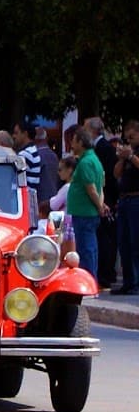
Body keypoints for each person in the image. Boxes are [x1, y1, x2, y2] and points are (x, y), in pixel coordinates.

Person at [68, 127, 109, 277]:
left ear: (81, 142)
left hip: (84, 212)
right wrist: (101, 204)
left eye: (73, 141)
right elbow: (100, 188)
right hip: (87, 211)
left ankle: (89, 279)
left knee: (86, 249)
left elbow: (91, 188)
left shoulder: (86, 162)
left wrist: (99, 207)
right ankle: (91, 278)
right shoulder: (94, 160)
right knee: (90, 248)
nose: (71, 145)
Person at [86, 117, 120, 287]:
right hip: (102, 200)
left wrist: (105, 202)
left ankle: (106, 274)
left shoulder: (103, 148)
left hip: (103, 200)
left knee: (104, 240)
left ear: (93, 130)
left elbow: (105, 178)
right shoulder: (98, 149)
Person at [112, 121, 139, 294]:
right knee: (124, 243)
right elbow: (116, 174)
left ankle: (136, 282)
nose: (129, 141)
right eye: (127, 137)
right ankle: (128, 282)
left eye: (132, 136)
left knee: (136, 242)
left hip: (137, 200)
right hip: (124, 200)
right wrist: (122, 158)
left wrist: (131, 157)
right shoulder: (128, 152)